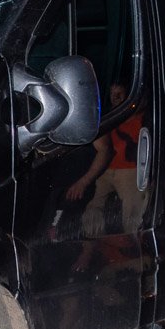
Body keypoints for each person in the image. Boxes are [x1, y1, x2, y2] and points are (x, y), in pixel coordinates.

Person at [65, 83, 144, 236]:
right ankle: (92, 244)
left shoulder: (139, 116)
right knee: (92, 206)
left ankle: (134, 244)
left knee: (132, 210)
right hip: (105, 170)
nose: (115, 98)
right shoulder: (108, 116)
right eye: (112, 94)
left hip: (129, 170)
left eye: (119, 94)